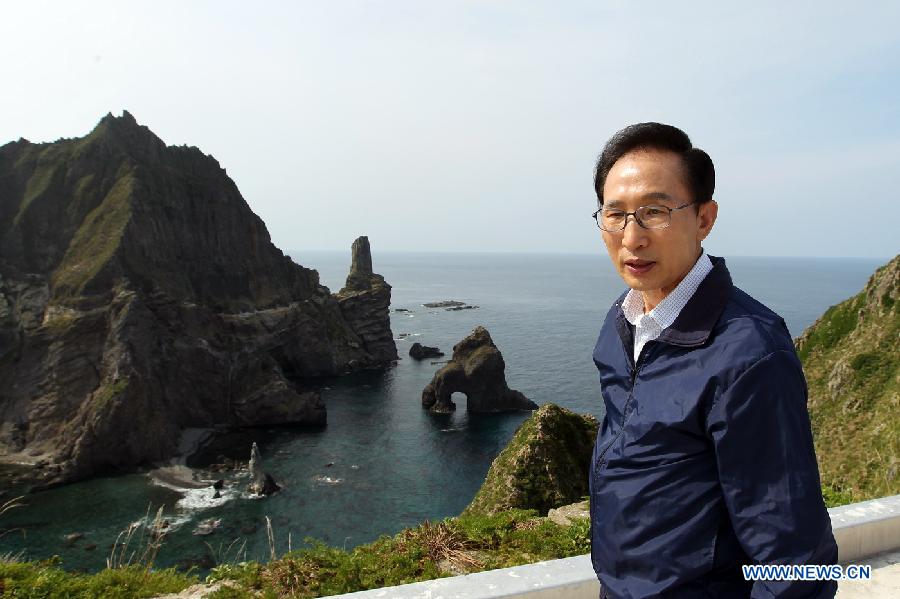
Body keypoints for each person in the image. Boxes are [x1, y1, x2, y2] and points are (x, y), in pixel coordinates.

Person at [588, 122, 838, 598]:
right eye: (614, 214)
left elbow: (796, 558)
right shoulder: (621, 322)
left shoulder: (749, 354)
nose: (631, 237)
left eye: (655, 212)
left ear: (705, 218)